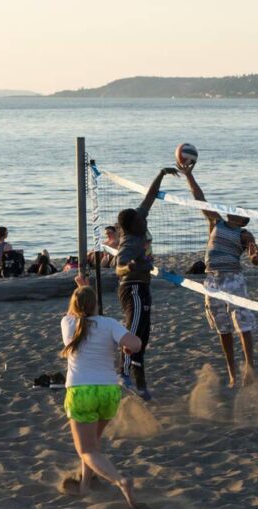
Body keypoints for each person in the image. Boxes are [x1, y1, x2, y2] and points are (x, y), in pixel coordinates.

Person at [59, 278, 151, 509]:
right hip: (109, 392)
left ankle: (120, 480)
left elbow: (76, 311)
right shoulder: (110, 324)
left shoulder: (68, 323)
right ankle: (84, 486)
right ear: (96, 305)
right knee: (93, 445)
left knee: (86, 450)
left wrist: (80, 288)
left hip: (82, 391)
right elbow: (136, 344)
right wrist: (126, 347)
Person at [178, 164, 258, 387]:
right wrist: (188, 174)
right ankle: (232, 372)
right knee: (222, 329)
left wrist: (254, 256)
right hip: (212, 280)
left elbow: (255, 258)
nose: (233, 210)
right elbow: (199, 197)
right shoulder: (216, 221)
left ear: (243, 219)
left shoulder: (243, 233)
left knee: (242, 325)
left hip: (233, 278)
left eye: (239, 211)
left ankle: (249, 368)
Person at [114, 167, 177, 400]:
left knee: (142, 339)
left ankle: (141, 386)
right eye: (140, 219)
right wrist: (128, 267)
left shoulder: (138, 220)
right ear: (132, 226)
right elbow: (117, 265)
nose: (144, 219)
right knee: (132, 333)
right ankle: (122, 371)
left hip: (143, 288)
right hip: (133, 289)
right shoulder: (129, 241)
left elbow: (149, 198)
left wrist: (161, 174)